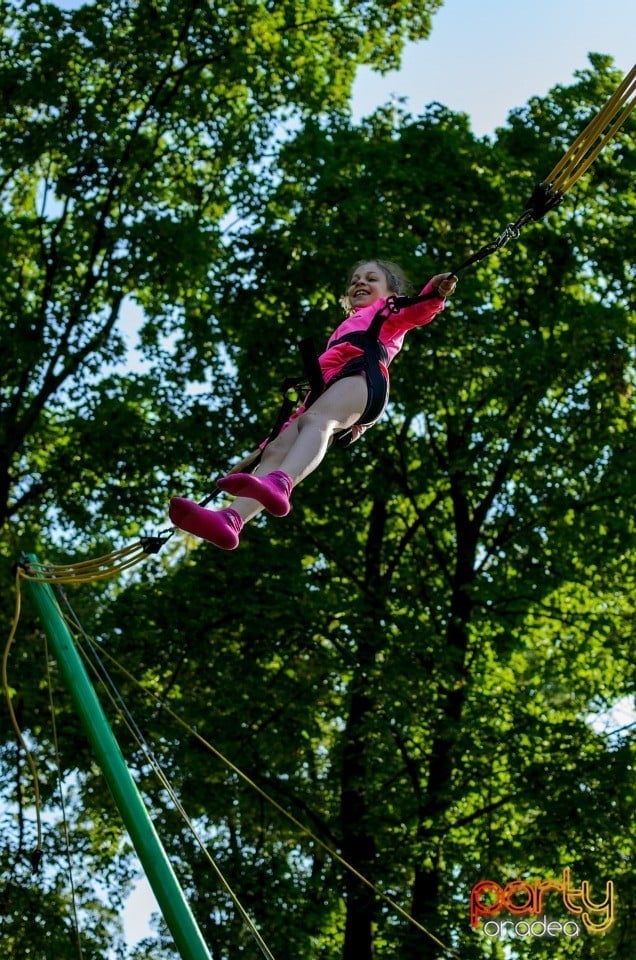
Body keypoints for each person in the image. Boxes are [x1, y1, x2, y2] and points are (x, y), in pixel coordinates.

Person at [169, 260, 457, 549]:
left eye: (371, 279)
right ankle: (231, 519)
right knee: (278, 448)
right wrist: (256, 455)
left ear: (390, 293)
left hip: (363, 376)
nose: (360, 283)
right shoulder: (343, 330)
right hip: (327, 388)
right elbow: (303, 410)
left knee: (318, 420)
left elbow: (419, 309)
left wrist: (435, 290)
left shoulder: (390, 310)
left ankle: (282, 483)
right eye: (355, 279)